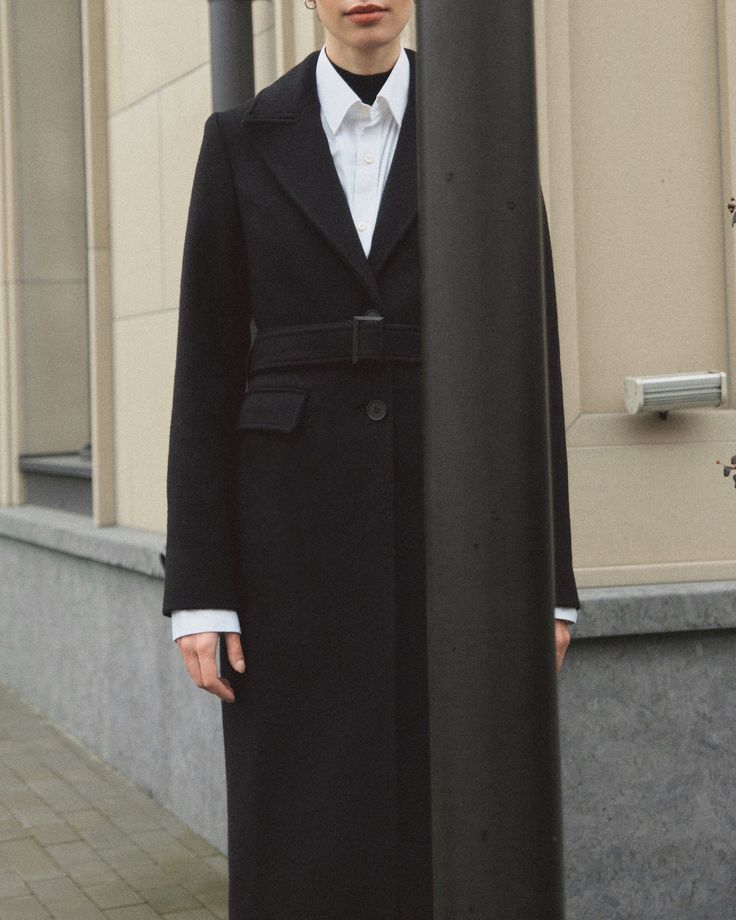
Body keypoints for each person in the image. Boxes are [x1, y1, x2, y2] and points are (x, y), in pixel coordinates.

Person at [163, 2, 580, 917]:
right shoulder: (239, 141)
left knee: (451, 819)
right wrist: (201, 585)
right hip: (287, 544)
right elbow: (204, 366)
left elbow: (527, 356)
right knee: (302, 830)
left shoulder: (486, 128)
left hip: (453, 529)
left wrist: (548, 580)